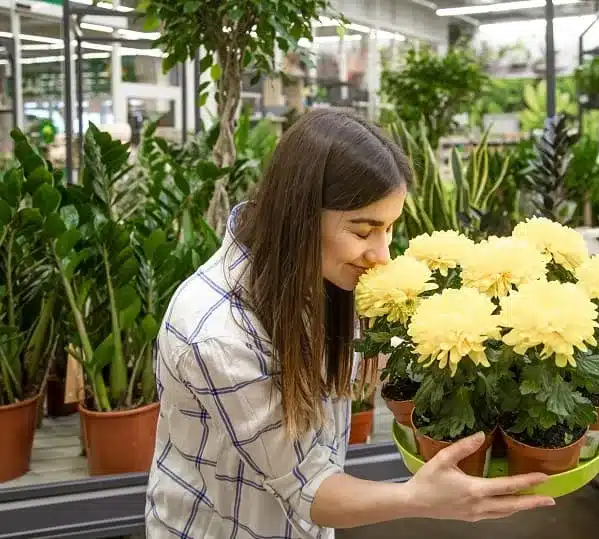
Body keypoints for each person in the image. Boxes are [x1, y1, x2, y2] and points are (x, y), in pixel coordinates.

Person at [144, 108, 555, 538]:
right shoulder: (216, 334)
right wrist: (418, 498)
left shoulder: (321, 272)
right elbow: (309, 489)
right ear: (300, 217)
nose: (383, 255)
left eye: (390, 228)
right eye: (363, 231)